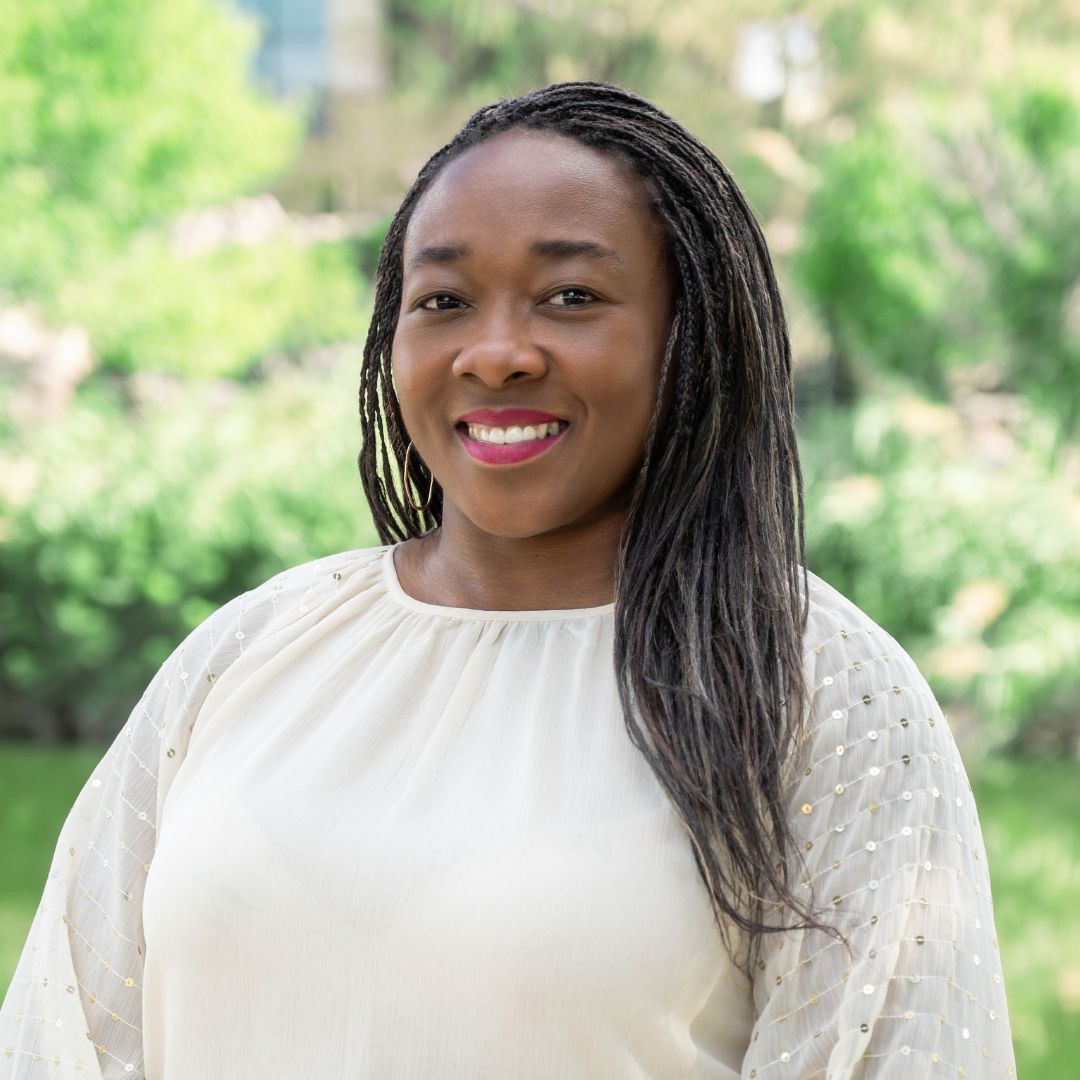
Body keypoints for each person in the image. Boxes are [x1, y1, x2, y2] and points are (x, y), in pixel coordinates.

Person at [1, 81, 1016, 1079]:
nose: (495, 353)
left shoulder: (818, 690)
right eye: (442, 300)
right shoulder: (248, 652)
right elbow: (63, 1033)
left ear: (691, 340)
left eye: (571, 296)